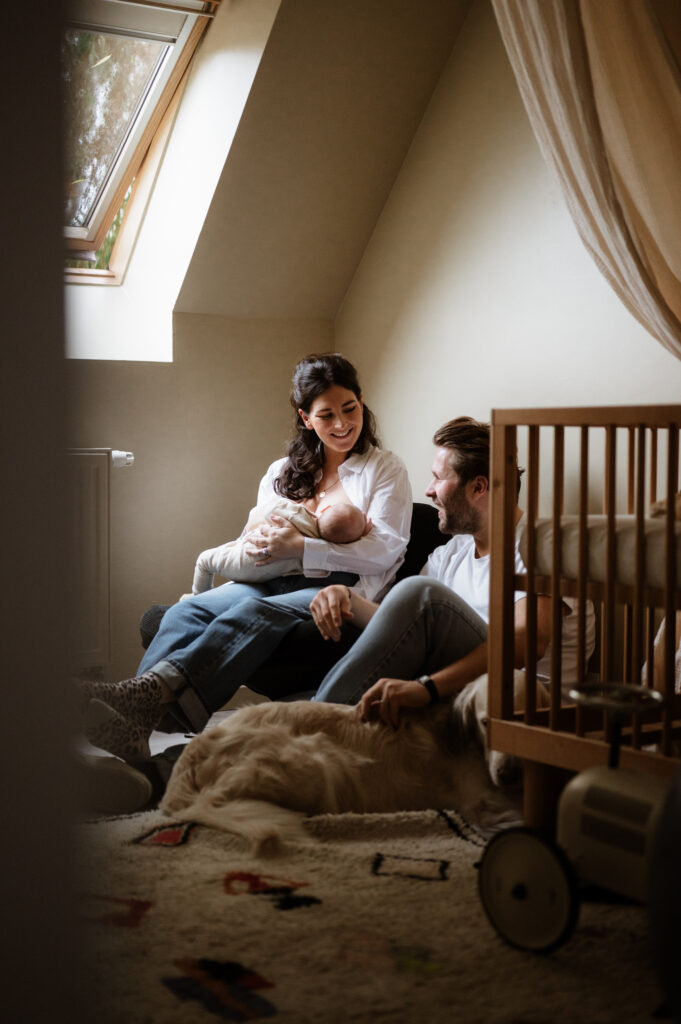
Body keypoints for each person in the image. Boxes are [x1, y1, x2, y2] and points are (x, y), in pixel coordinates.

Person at [80, 353, 412, 762]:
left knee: (252, 613)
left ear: (362, 402)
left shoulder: (384, 469)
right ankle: (133, 725)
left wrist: (302, 547)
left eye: (350, 408)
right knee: (185, 612)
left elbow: (384, 551)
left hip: (337, 588)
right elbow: (252, 535)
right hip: (268, 577)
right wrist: (261, 543)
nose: (342, 424)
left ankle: (141, 700)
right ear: (306, 418)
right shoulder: (281, 471)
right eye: (327, 415)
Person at [309, 416, 594, 726]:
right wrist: (347, 598)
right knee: (416, 597)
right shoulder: (452, 552)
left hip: (525, 703)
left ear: (479, 487)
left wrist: (427, 688)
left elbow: (528, 642)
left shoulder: (543, 545)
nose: (429, 491)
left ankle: (315, 720)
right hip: (458, 692)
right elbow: (404, 623)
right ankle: (319, 716)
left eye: (438, 478)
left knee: (422, 593)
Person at [190, 499, 370, 594]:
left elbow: (269, 510)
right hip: (258, 575)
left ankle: (198, 595)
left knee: (204, 561)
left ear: (324, 509)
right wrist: (361, 532)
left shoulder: (298, 514)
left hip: (244, 555)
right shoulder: (314, 556)